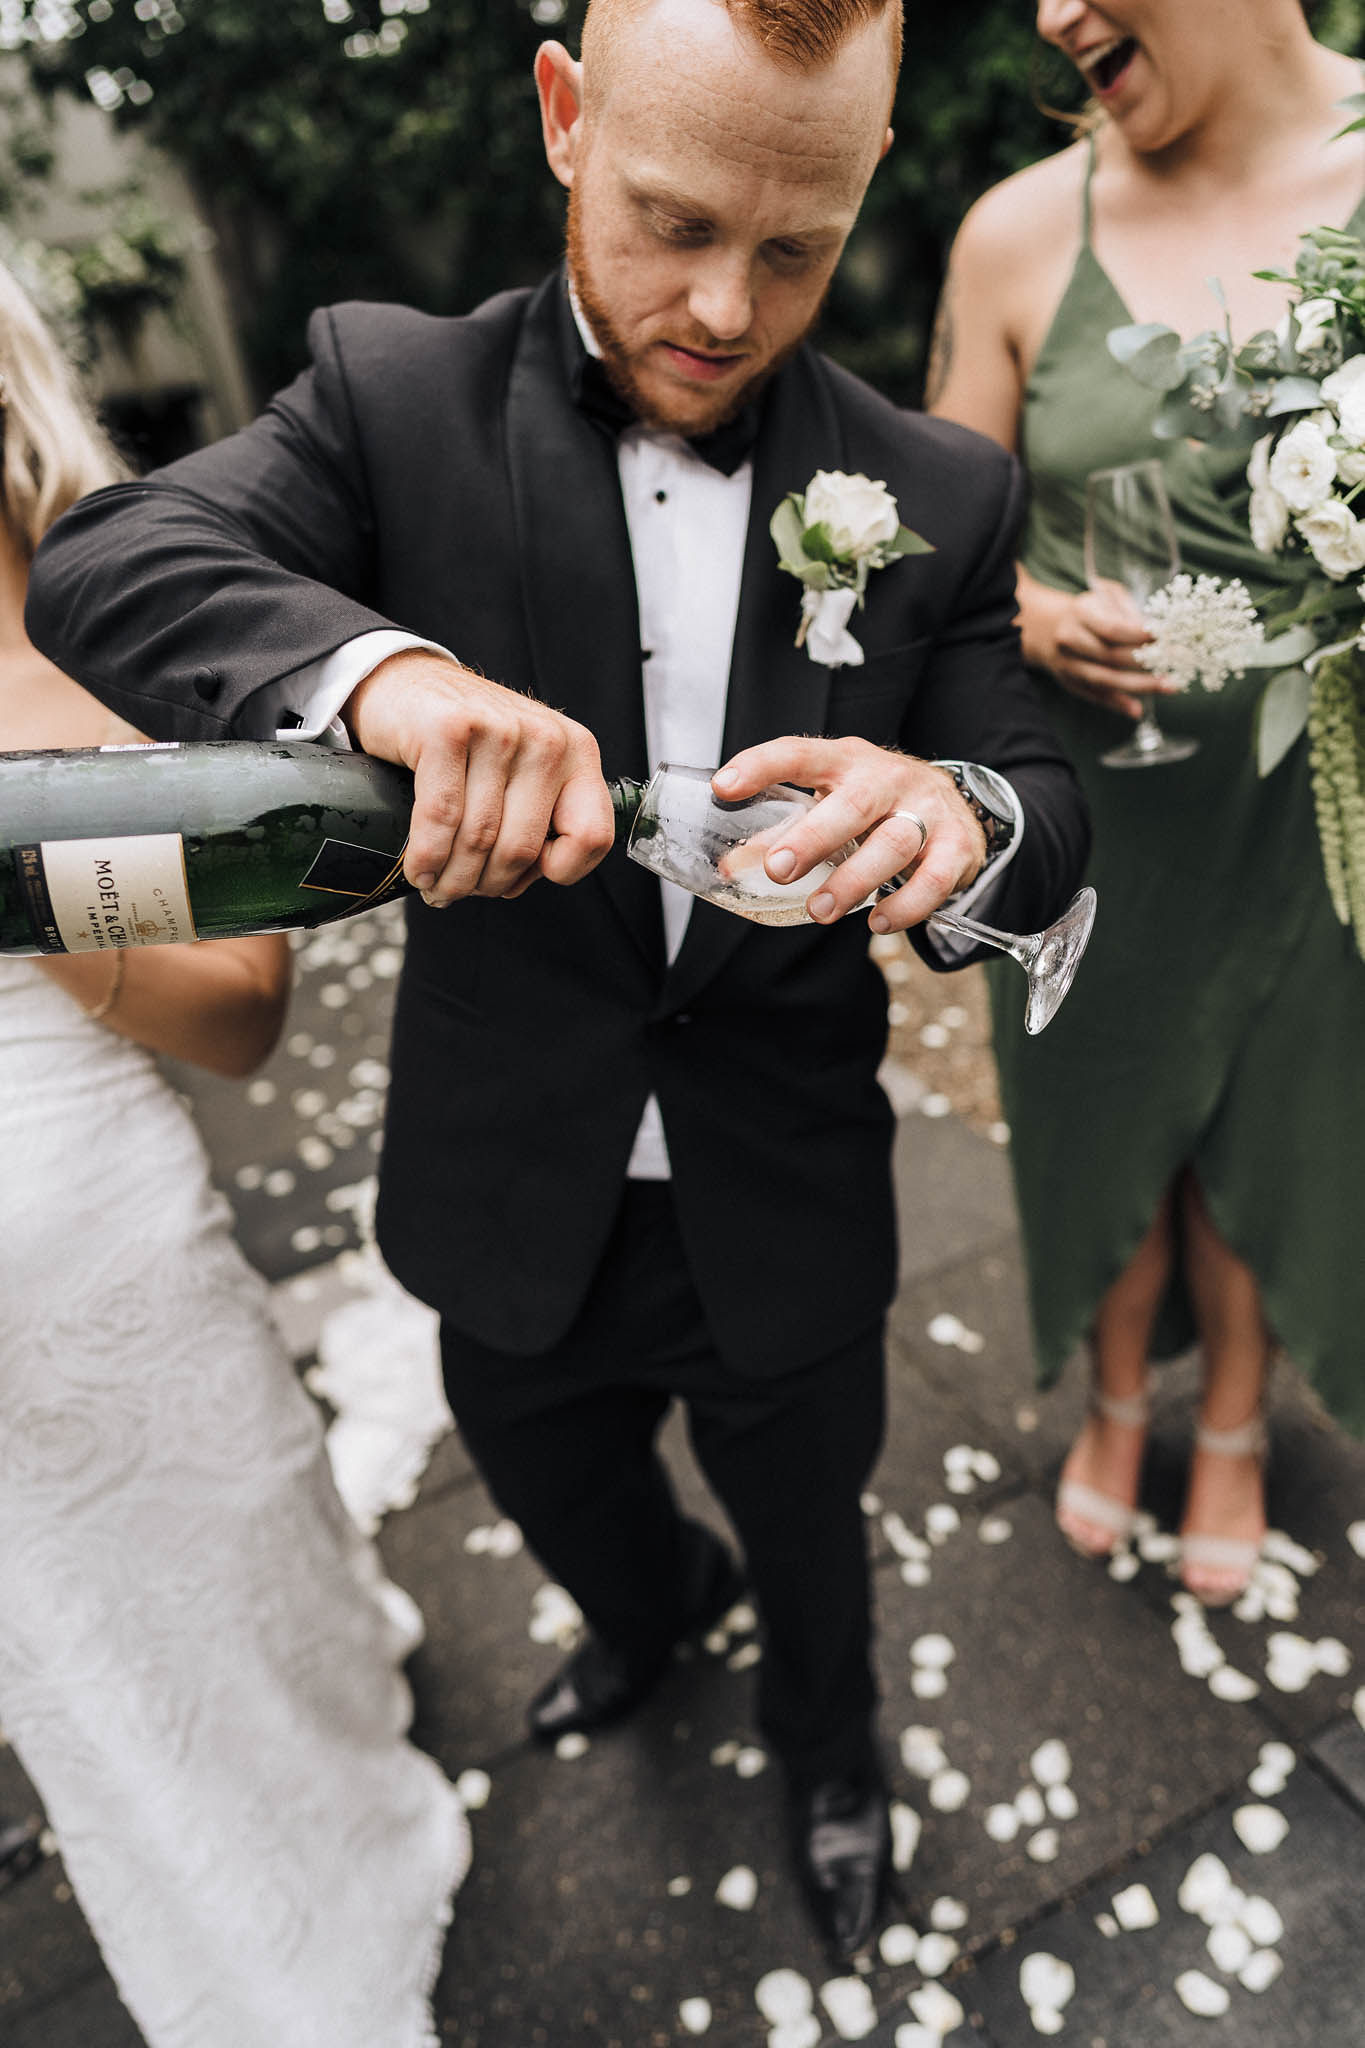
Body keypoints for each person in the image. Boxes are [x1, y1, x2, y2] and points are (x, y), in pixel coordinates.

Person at [25, 0, 1089, 1957]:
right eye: (674, 221)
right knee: (557, 1486)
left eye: (795, 248)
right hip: (509, 1172)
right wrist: (381, 676)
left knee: (815, 1538)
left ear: (864, 184)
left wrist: (966, 812)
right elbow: (108, 562)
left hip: (782, 1187)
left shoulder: (937, 487)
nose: (723, 307)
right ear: (561, 116)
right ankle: (646, 1614)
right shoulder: (386, 393)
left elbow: (1038, 790)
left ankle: (829, 1759)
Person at [0, 258, 468, 2048]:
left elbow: (243, 1016)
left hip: (112, 1225)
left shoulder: (115, 610)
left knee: (236, 1547)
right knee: (93, 1669)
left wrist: (26, 888)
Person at [927, 0, 1365, 1605]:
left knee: (1271, 1107)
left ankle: (1235, 1420)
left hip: (1311, 810)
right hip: (1093, 805)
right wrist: (1037, 618)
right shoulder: (1012, 236)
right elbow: (936, 547)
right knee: (1101, 1101)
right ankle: (1115, 1398)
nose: (1051, 13)